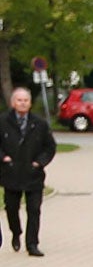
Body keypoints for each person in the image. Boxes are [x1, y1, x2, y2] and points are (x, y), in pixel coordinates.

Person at [1, 86, 55, 256]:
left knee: (34, 209)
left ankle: (32, 244)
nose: (22, 103)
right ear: (13, 102)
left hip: (33, 174)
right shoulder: (3, 122)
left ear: (30, 103)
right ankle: (16, 232)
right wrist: (3, 158)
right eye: (19, 100)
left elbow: (49, 147)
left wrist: (39, 163)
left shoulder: (39, 123)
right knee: (11, 208)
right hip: (11, 173)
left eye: (26, 100)